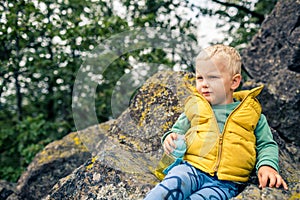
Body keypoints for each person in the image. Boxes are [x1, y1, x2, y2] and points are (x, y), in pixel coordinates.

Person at [144, 44, 288, 200]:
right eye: (200, 78)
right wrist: (170, 138)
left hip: (227, 183)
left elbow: (266, 144)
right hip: (190, 169)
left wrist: (268, 167)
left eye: (213, 77)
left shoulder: (252, 113)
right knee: (164, 191)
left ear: (234, 82)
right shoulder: (196, 107)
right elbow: (177, 130)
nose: (204, 84)